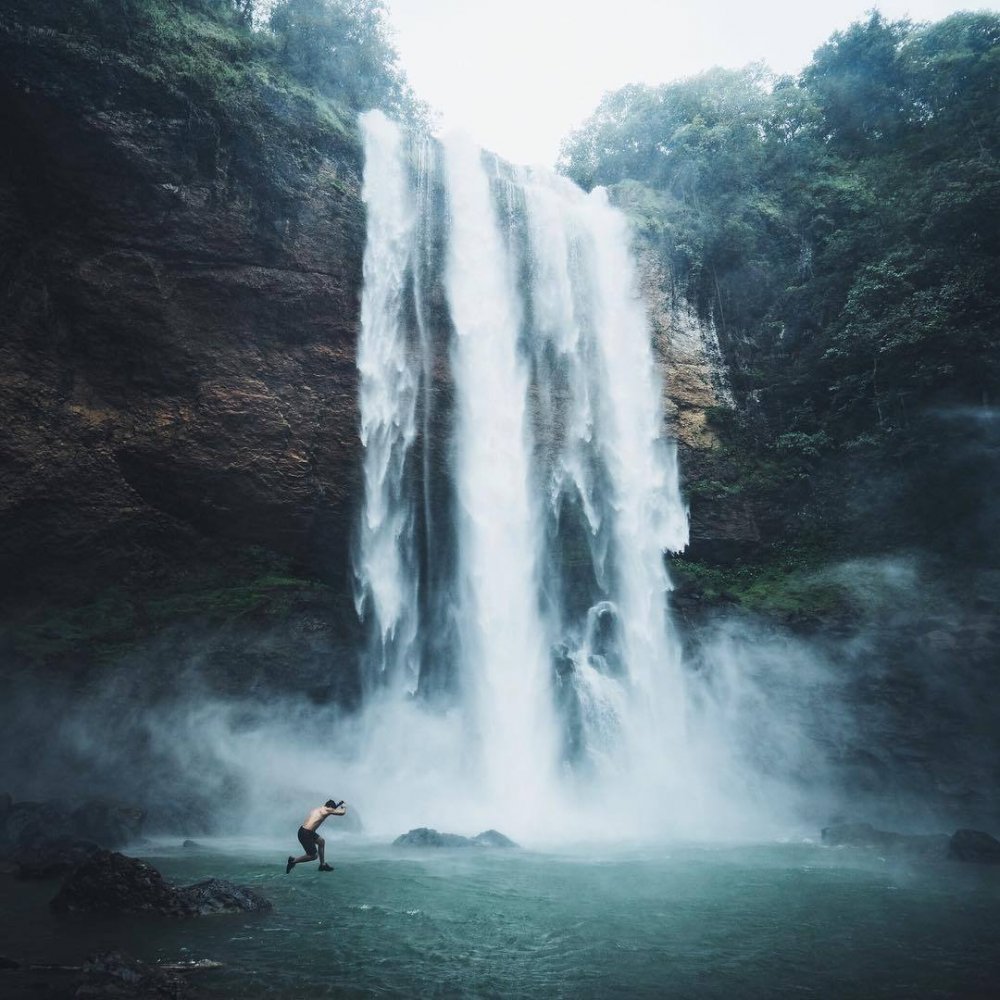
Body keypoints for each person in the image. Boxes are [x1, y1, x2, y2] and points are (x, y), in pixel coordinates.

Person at [286, 799, 346, 873]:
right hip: (305, 833)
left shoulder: (319, 808)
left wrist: (334, 808)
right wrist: (344, 806)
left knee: (321, 842)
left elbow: (329, 811)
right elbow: (342, 813)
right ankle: (293, 861)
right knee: (313, 856)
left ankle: (322, 865)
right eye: (332, 809)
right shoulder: (327, 810)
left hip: (306, 831)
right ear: (330, 807)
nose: (332, 810)